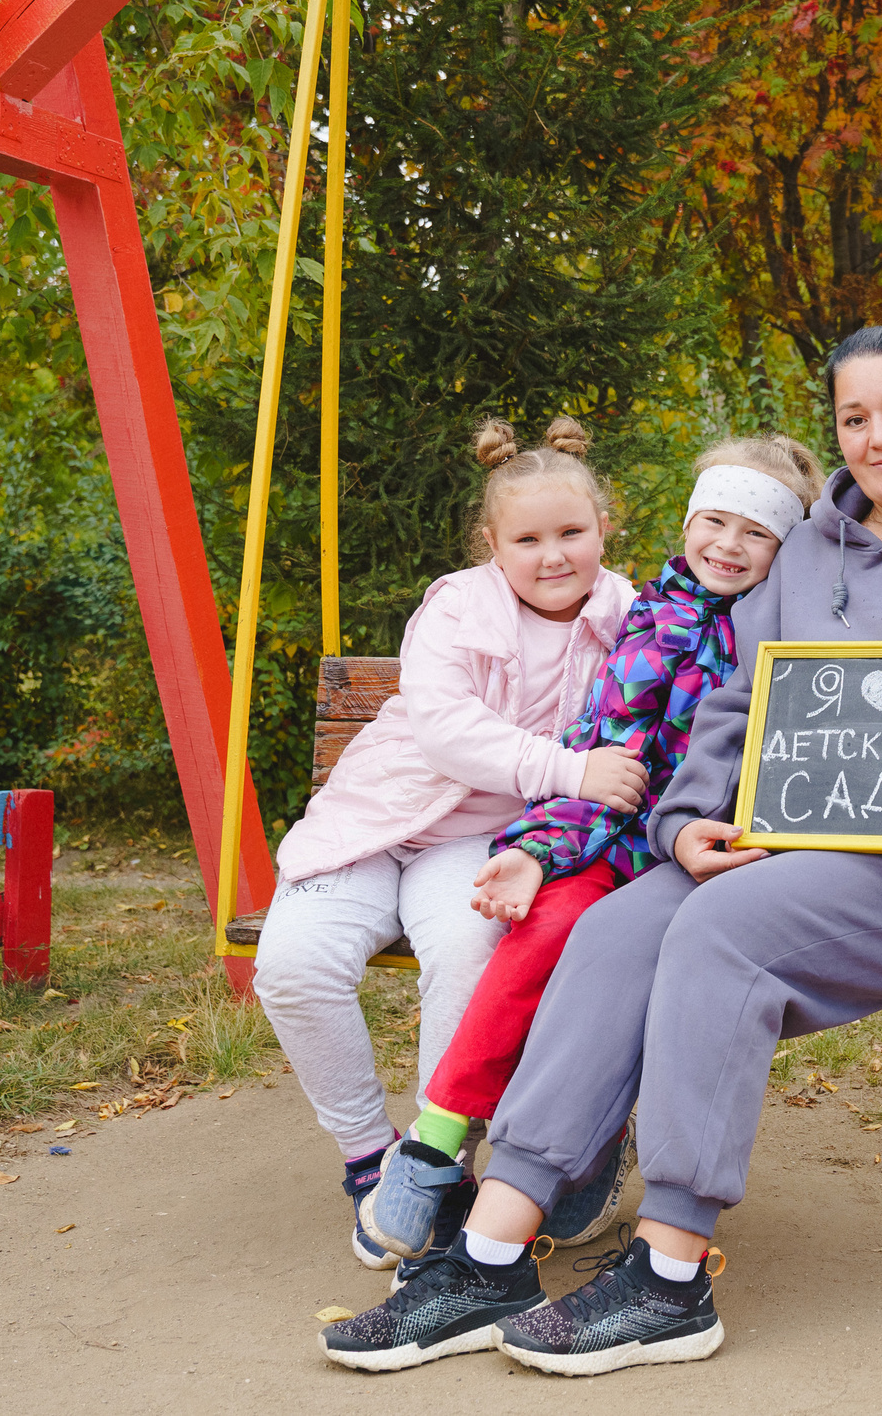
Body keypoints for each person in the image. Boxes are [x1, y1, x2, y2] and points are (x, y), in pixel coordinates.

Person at [330, 319, 882, 1379]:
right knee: (618, 927)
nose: (878, 435)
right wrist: (678, 822)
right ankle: (489, 1254)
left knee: (719, 930)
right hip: (788, 846)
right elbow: (734, 710)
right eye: (854, 416)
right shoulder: (803, 553)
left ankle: (669, 1276)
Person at [323, 435, 823, 1371]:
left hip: (725, 859)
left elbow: (806, 762)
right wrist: (532, 852)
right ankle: (437, 1145)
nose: (728, 544)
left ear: (786, 546)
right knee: (540, 929)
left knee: (652, 957)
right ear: (685, 525)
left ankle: (579, 1168)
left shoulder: (793, 634)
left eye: (756, 531)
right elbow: (604, 751)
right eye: (713, 520)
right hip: (621, 839)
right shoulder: (652, 620)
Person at [253, 417, 641, 1278]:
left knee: (469, 951)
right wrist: (572, 770)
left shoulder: (629, 616)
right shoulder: (458, 605)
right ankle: (369, 1155)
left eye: (572, 533)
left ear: (604, 529)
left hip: (478, 838)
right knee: (292, 963)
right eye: (527, 539)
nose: (552, 555)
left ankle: (443, 1160)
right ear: (491, 545)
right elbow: (446, 727)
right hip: (372, 821)